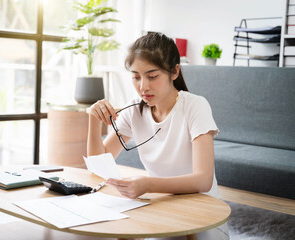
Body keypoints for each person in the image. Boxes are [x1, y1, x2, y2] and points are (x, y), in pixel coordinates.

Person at [87, 32, 229, 240]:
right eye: (136, 77)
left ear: (174, 72)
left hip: (203, 213)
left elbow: (203, 180)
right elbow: (98, 165)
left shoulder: (195, 106)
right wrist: (92, 118)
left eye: (152, 76)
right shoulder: (135, 110)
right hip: (162, 208)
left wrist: (148, 184)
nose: (143, 86)